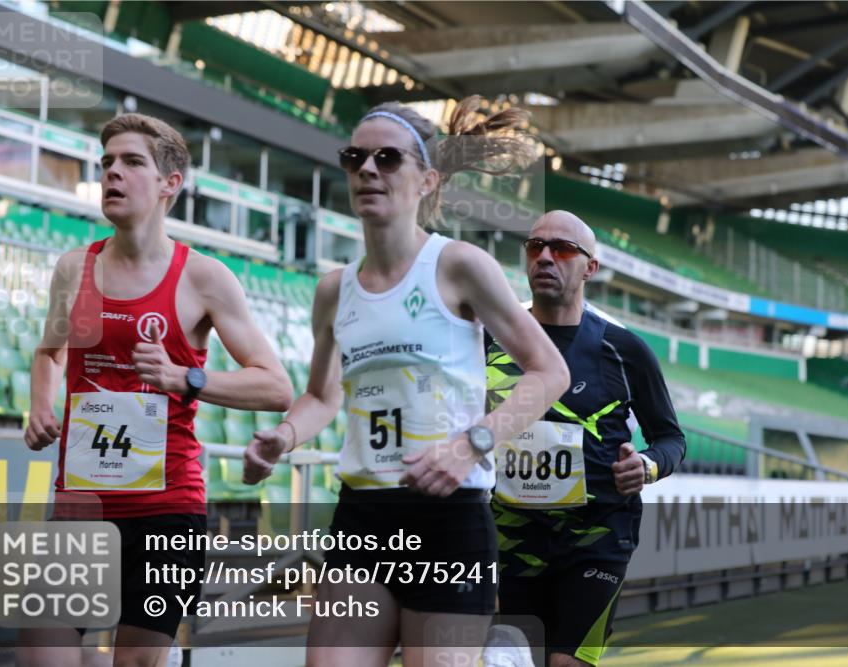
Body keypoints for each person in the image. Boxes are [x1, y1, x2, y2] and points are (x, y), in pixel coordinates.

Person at [243, 97, 570, 667]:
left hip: (448, 521)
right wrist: (285, 437)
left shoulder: (458, 265)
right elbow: (323, 395)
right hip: (363, 518)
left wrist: (474, 444)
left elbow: (550, 372)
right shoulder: (332, 290)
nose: (368, 169)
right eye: (355, 158)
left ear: (427, 180)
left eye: (388, 158)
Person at [19, 113, 293, 667]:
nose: (112, 173)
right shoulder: (75, 268)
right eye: (106, 163)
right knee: (39, 655)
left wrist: (183, 377)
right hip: (80, 507)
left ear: (171, 183)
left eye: (131, 162)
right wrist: (39, 405)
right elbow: (48, 352)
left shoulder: (204, 278)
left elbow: (277, 386)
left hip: (166, 510)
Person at [484, 211, 686, 667]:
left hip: (596, 538)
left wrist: (647, 466)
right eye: (535, 247)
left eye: (562, 249)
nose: (545, 258)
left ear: (589, 267)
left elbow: (670, 438)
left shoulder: (624, 350)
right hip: (511, 543)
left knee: (566, 662)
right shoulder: (488, 341)